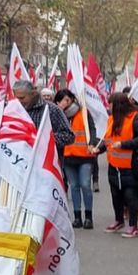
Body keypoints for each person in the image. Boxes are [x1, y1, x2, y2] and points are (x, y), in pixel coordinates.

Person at [96, 92, 138, 238]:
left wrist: (124, 144)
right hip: (114, 165)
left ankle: (133, 226)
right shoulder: (111, 119)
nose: (109, 107)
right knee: (116, 196)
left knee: (130, 196)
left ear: (119, 104)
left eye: (111, 104)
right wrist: (98, 149)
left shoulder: (137, 118)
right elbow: (108, 140)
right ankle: (118, 220)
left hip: (131, 165)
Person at [56, 89, 97, 229]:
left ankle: (89, 217)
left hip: (85, 155)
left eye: (68, 99)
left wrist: (91, 143)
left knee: (85, 185)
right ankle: (77, 216)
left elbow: (92, 129)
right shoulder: (59, 115)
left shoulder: (84, 112)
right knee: (74, 187)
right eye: (62, 100)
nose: (66, 103)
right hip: (68, 157)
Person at [14, 81, 74, 161]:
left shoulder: (52, 110)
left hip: (45, 164)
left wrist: (42, 139)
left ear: (33, 94)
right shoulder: (14, 110)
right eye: (16, 98)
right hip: (20, 162)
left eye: (22, 98)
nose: (18, 101)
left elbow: (69, 136)